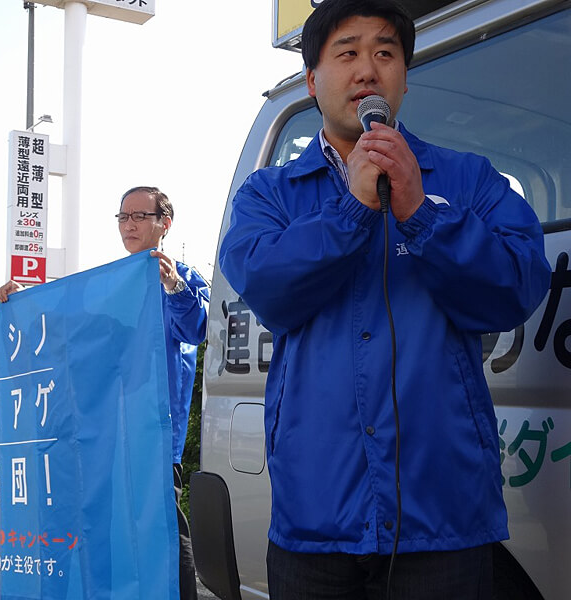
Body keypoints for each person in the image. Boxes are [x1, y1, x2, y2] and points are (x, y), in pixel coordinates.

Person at [218, 1, 551, 598]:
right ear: (313, 80)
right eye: (346, 52)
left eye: (385, 53)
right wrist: (352, 209)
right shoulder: (268, 193)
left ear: (403, 76)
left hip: (442, 515)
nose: (367, 69)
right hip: (314, 516)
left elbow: (518, 286)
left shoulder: (467, 181)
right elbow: (268, 287)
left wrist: (422, 213)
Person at [0, 186, 210, 599]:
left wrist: (172, 286)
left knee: (163, 528)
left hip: (153, 429)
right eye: (123, 217)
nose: (129, 225)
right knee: (103, 524)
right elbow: (67, 328)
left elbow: (196, 328)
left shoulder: (181, 276)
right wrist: (22, 303)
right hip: (105, 427)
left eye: (139, 216)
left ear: (164, 224)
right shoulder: (112, 283)